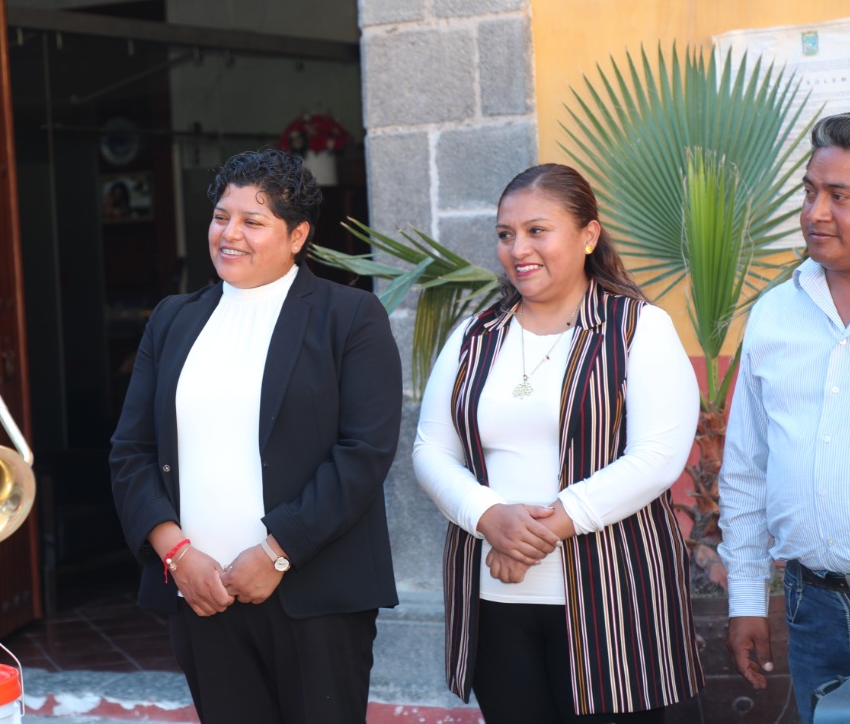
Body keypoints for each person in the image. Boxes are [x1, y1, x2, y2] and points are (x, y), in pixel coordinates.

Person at [109, 148, 402, 724]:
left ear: (297, 236)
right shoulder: (173, 319)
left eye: (253, 221)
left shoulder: (350, 317)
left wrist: (275, 553)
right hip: (201, 594)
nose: (229, 234)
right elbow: (131, 451)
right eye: (221, 216)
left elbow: (363, 453)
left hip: (314, 598)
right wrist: (177, 555)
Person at [413, 163, 702, 723]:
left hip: (614, 601)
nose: (518, 248)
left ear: (588, 235)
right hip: (497, 600)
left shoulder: (638, 328)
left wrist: (536, 531)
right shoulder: (475, 335)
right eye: (505, 234)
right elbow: (430, 450)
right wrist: (488, 516)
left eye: (537, 230)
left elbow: (656, 459)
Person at [719, 111, 850, 724]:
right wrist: (748, 600)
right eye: (809, 191)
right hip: (812, 608)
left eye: (840, 196)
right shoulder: (774, 316)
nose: (814, 213)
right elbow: (746, 468)